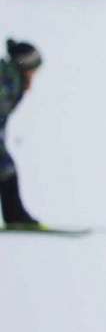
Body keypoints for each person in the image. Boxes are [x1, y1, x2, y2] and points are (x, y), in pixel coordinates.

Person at [1, 39, 44, 228]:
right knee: (6, 169)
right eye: (34, 70)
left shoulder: (9, 76)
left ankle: (15, 217)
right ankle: (15, 217)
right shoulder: (8, 81)